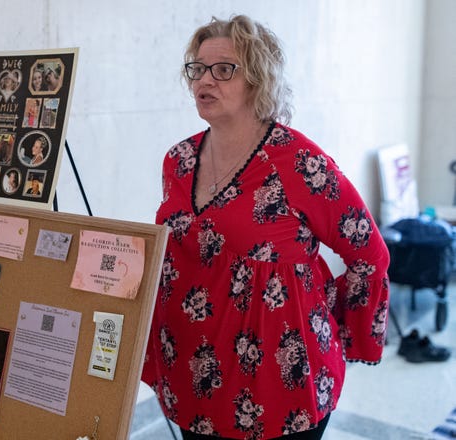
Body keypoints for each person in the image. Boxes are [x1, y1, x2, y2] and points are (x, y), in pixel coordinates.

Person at [141, 15, 390, 440]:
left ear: (257, 80)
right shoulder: (178, 160)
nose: (205, 80)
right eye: (197, 69)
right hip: (194, 377)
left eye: (224, 69)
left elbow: (369, 252)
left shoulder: (296, 161)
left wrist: (343, 324)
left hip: (280, 386)